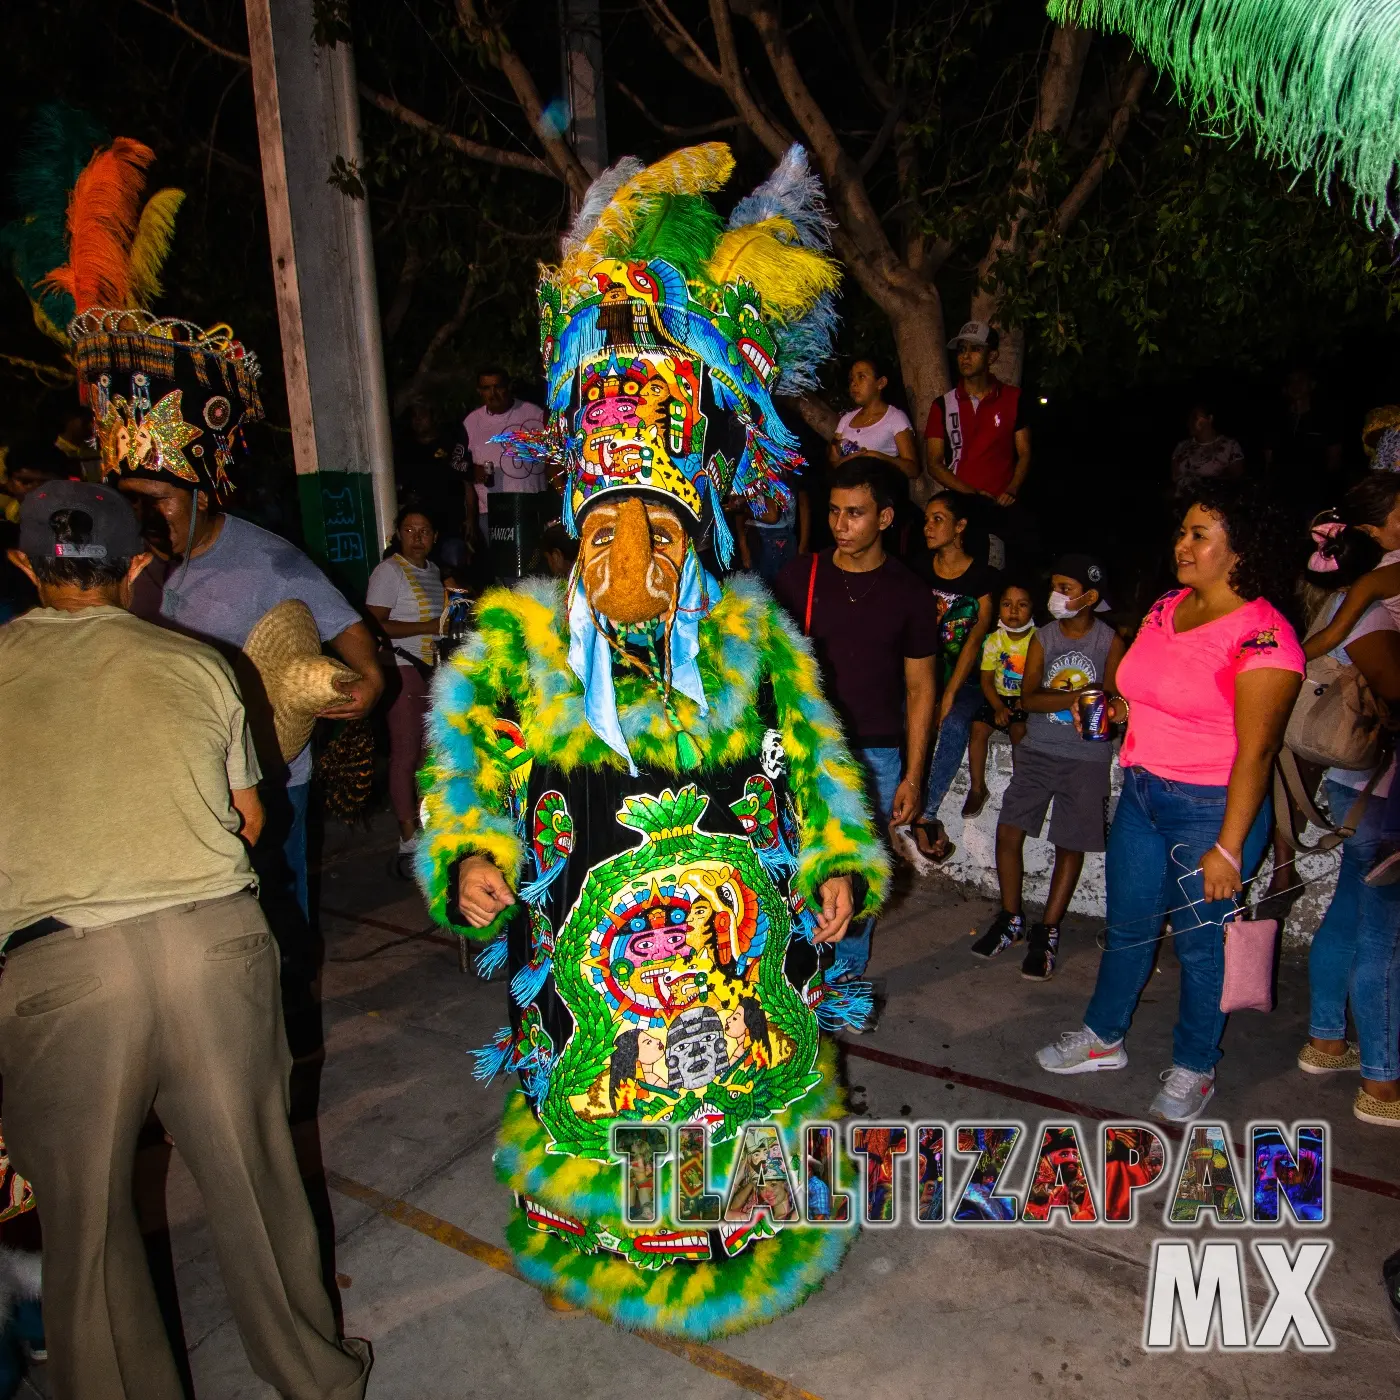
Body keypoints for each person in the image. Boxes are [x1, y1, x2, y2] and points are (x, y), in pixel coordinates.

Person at [417, 143, 890, 1336]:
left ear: (698, 527)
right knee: (609, 1094)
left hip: (737, 962)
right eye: (609, 528)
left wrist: (836, 863)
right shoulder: (516, 639)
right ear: (575, 525)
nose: (634, 558)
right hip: (598, 965)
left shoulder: (752, 638)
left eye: (659, 530)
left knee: (735, 1090)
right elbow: (462, 767)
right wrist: (468, 852)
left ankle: (747, 1231)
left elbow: (821, 765)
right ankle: (616, 1241)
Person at [0, 481, 369, 1400]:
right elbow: (249, 819)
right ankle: (317, 1378)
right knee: (256, 1177)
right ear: (136, 568)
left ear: (21, 566)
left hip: (61, 967)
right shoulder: (198, 668)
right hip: (215, 949)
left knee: (84, 1228)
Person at [1036, 479, 1304, 1122]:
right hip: (1143, 792)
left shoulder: (1265, 639)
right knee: (1126, 926)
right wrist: (1120, 710)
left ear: (1238, 551)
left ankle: (1195, 1066)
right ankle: (1104, 1038)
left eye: (1198, 534)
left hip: (1211, 808)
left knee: (1200, 947)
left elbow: (1257, 754)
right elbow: (1149, 689)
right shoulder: (1167, 606)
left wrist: (1230, 848)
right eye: (1182, 530)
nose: (1180, 543)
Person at [775, 460, 939, 987]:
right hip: (804, 746)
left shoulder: (909, 592)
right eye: (833, 512)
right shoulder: (801, 575)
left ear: (886, 518)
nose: (840, 525)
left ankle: (843, 983)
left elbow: (920, 689)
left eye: (855, 513)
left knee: (859, 876)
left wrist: (914, 775)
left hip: (876, 754)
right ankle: (793, 976)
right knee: (795, 864)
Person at [974, 555, 1126, 981]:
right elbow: (1029, 698)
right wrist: (1078, 698)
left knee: (1069, 843)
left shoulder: (1108, 642)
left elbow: (1113, 704)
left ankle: (1048, 930)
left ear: (1090, 597)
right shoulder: (1044, 637)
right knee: (1008, 830)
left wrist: (1096, 701)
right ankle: (1011, 918)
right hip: (1039, 748)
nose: (1055, 596)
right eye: (1054, 586)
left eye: (1066, 588)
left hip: (1086, 757)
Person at [1293, 523, 1400, 1127]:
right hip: (1382, 788)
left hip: (1356, 781)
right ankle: (1383, 1084)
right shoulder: (1371, 613)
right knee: (1384, 935)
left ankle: (1327, 1040)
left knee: (1349, 909)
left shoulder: (1344, 602)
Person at [1298, 475, 1400, 883]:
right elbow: (1334, 635)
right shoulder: (1373, 581)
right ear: (1371, 531)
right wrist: (1281, 661)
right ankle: (1393, 841)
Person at [909, 491, 1001, 863]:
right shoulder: (917, 568)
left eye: (938, 520)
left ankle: (926, 815)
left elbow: (974, 639)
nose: (928, 527)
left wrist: (946, 694)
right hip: (920, 675)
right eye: (926, 519)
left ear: (960, 526)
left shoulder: (983, 577)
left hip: (963, 680)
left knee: (955, 720)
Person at [366, 506, 445, 876]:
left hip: (431, 667)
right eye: (411, 530)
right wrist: (428, 625)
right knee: (406, 752)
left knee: (430, 754)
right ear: (398, 534)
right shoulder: (389, 571)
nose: (418, 537)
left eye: (425, 530)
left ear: (435, 537)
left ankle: (428, 826)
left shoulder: (433, 572)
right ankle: (407, 836)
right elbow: (373, 626)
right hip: (400, 665)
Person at [924, 321, 1032, 565]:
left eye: (975, 349)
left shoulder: (1013, 398)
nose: (965, 356)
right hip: (960, 507)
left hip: (1001, 508)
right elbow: (934, 462)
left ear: (991, 356)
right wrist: (972, 493)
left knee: (999, 576)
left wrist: (1012, 489)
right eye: (962, 350)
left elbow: (1024, 452)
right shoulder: (943, 404)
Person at [965, 579, 1035, 817]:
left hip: (1026, 699)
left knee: (1019, 731)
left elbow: (1042, 677)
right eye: (1007, 604)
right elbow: (986, 680)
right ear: (998, 609)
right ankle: (977, 788)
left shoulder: (1039, 640)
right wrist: (996, 707)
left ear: (1032, 608)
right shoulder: (994, 640)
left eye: (1022, 605)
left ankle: (1021, 789)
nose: (1013, 611)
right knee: (977, 728)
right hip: (998, 698)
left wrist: (1025, 701)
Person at [460, 365, 547, 546]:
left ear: (508, 387)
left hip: (529, 506)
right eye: (486, 388)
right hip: (492, 512)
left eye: (498, 386)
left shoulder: (534, 414)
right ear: (480, 392)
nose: (493, 393)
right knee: (501, 569)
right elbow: (463, 471)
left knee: (530, 565)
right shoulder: (471, 422)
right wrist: (471, 518)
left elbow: (554, 457)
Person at [828, 357, 918, 483]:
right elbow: (833, 462)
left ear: (881, 383)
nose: (854, 383)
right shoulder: (846, 419)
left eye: (861, 377)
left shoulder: (895, 417)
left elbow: (912, 469)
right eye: (852, 379)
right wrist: (850, 460)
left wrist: (876, 457)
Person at [1170, 399, 1244, 488]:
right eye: (1189, 418)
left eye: (1195, 418)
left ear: (1210, 418)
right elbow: (1175, 481)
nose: (1190, 422)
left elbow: (1237, 480)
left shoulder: (1230, 446)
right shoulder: (1181, 447)